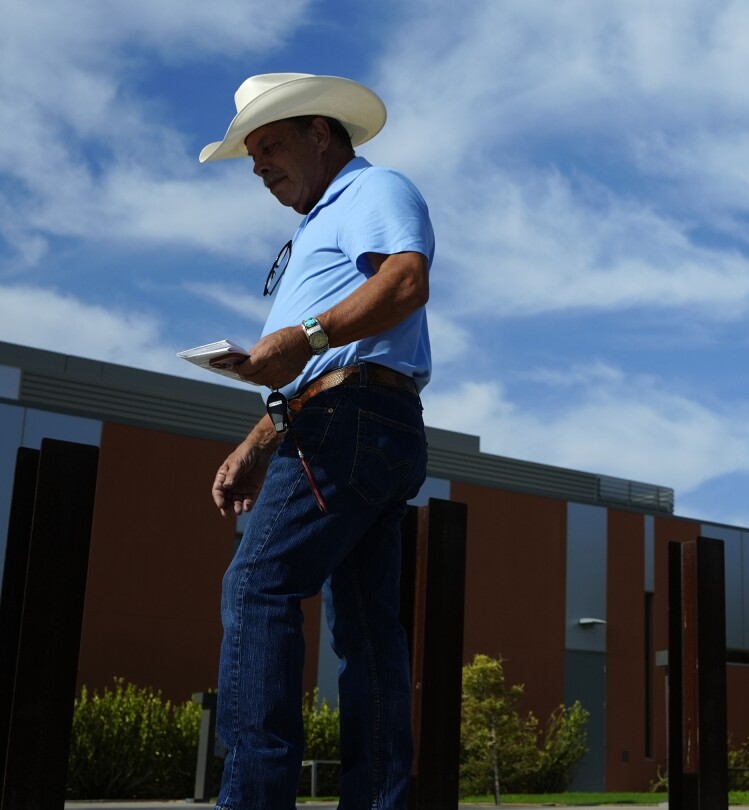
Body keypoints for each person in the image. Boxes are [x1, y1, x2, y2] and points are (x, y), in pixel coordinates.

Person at [200, 73, 433, 809]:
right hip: (353, 418)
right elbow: (318, 365)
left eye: (270, 144)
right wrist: (257, 442)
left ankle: (254, 799)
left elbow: (405, 282)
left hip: (353, 422)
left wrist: (301, 337)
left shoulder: (374, 190)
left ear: (321, 134)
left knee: (258, 584)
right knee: (366, 627)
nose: (260, 165)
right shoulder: (318, 226)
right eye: (251, 155)